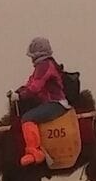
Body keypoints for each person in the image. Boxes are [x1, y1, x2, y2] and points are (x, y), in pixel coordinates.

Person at [12, 36, 69, 167]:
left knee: (27, 118)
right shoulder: (42, 66)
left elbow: (34, 87)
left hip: (56, 103)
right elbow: (30, 83)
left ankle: (35, 152)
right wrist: (18, 92)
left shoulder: (45, 66)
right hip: (49, 102)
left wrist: (21, 96)